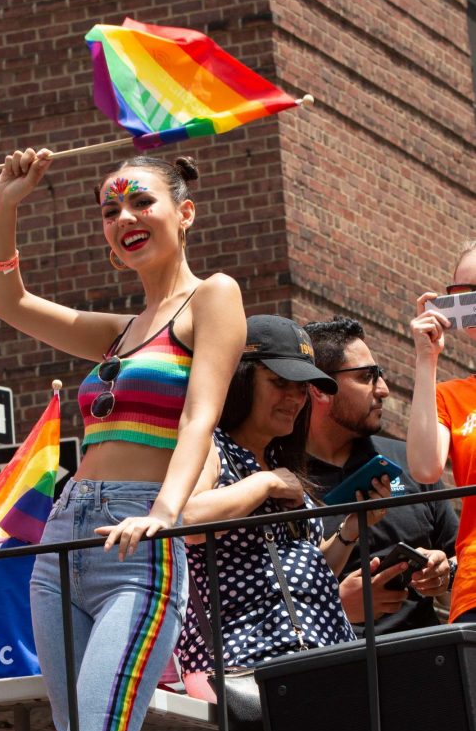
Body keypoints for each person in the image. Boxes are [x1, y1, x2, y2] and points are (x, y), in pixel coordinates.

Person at [0, 147, 271, 731]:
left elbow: (200, 417)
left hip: (139, 548)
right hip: (64, 544)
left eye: (138, 201)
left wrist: (166, 511)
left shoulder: (212, 298)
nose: (122, 219)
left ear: (185, 211)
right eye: (110, 210)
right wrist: (5, 206)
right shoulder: (116, 333)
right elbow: (8, 304)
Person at [178, 314, 376, 702]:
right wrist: (264, 482)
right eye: (280, 383)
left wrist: (350, 530)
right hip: (247, 663)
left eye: (302, 389)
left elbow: (301, 567)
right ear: (241, 380)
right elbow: (186, 519)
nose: (294, 399)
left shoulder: (281, 458)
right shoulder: (210, 446)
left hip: (322, 654)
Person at [304, 317, 456, 634]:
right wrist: (336, 605)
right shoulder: (279, 477)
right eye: (366, 377)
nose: (383, 390)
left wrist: (444, 570)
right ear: (319, 388)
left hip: (429, 663)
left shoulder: (409, 461)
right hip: (329, 670)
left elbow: (462, 557)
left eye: (380, 375)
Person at [407, 241, 476, 623]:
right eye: (460, 293)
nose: (468, 302)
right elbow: (424, 468)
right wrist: (425, 358)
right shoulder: (452, 395)